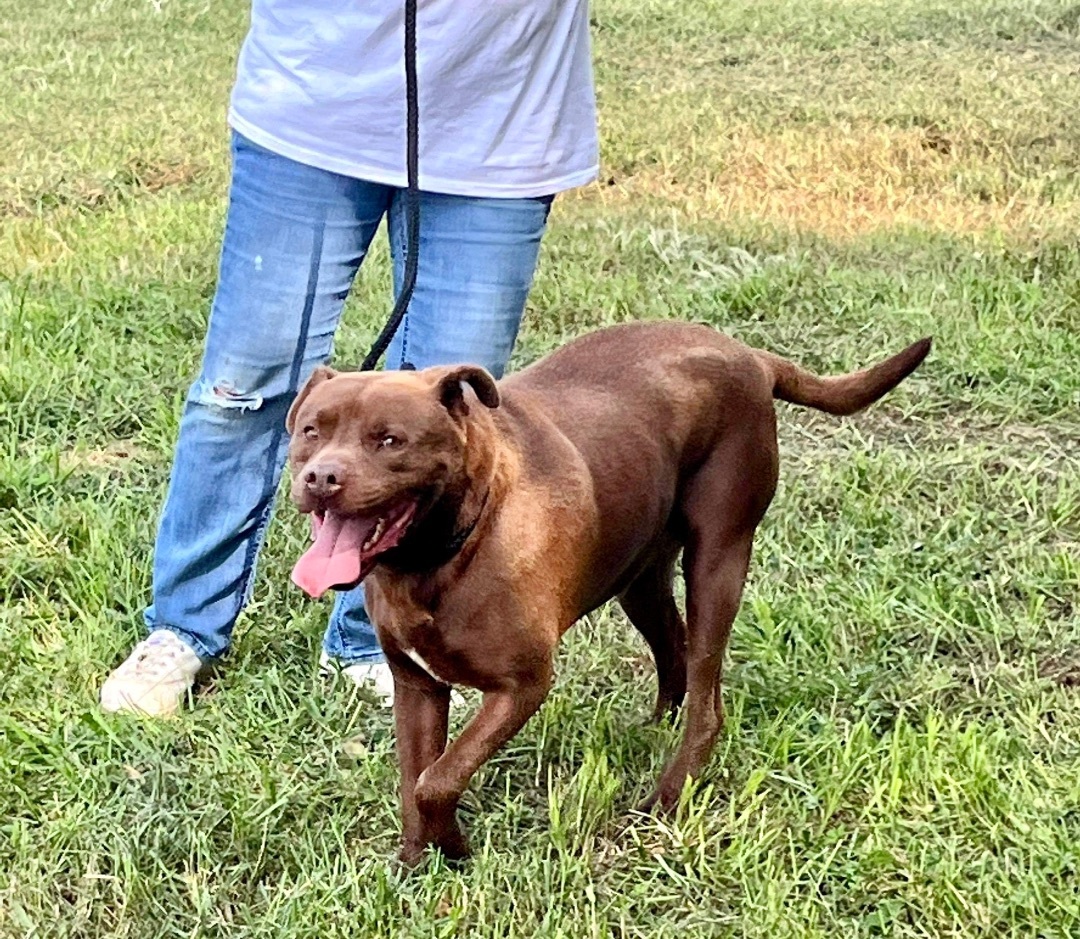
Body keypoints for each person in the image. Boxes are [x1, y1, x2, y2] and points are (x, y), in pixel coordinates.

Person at [100, 0, 597, 716]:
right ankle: (183, 627)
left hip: (501, 122)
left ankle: (376, 638)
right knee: (243, 388)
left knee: (443, 418)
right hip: (312, 108)